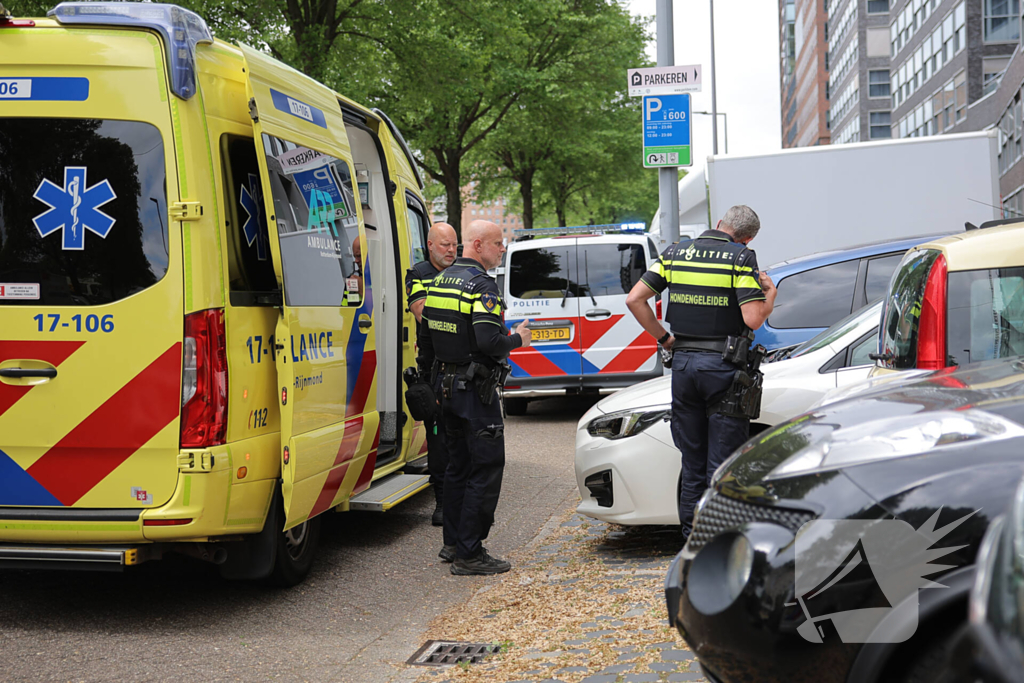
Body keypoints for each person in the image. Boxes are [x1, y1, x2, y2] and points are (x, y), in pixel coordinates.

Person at [625, 206, 777, 542]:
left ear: (721, 222)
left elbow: (635, 299)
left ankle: (691, 542)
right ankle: (716, 546)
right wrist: (770, 296)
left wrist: (665, 339)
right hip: (722, 369)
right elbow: (752, 318)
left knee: (692, 462)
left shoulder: (675, 252)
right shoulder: (740, 257)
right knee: (722, 465)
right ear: (748, 237)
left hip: (682, 367)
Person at [422, 220, 532, 575]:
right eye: (499, 244)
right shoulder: (481, 286)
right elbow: (489, 342)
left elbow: (427, 339)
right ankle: (470, 553)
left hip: (445, 386)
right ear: (479, 244)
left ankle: (452, 543)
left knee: (457, 467)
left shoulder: (439, 281)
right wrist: (517, 339)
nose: (502, 249)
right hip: (474, 392)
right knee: (485, 468)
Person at [405, 222, 458, 525]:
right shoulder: (419, 274)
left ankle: (460, 498)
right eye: (444, 245)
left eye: (454, 245)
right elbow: (423, 313)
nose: (451, 250)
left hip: (462, 366)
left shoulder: (462, 270)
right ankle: (442, 502)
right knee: (437, 440)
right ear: (430, 246)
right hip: (434, 369)